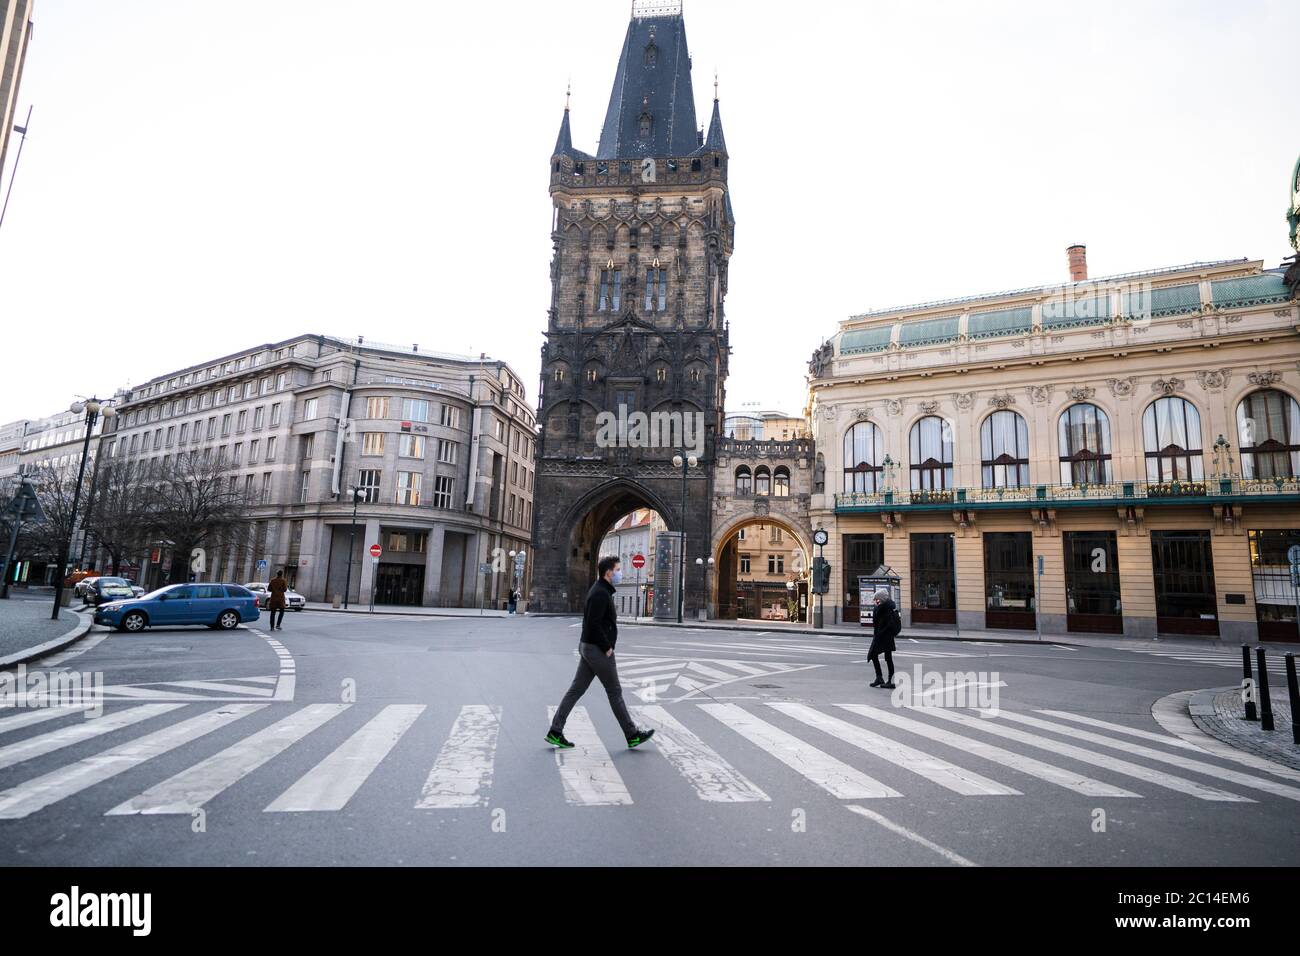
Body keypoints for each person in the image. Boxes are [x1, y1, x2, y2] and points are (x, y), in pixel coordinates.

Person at [546, 555, 656, 750]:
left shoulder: (601, 590)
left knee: (576, 690)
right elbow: (593, 624)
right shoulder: (600, 593)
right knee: (614, 692)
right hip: (597, 649)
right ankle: (631, 734)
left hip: (588, 647)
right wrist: (606, 647)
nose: (620, 573)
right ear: (608, 572)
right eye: (618, 570)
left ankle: (555, 731)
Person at [868, 587, 899, 689]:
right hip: (880, 636)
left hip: (885, 637)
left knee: (887, 658)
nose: (876, 601)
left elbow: (888, 624)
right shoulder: (880, 607)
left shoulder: (887, 608)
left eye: (877, 599)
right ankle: (879, 677)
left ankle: (889, 680)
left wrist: (880, 633)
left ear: (881, 599)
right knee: (873, 655)